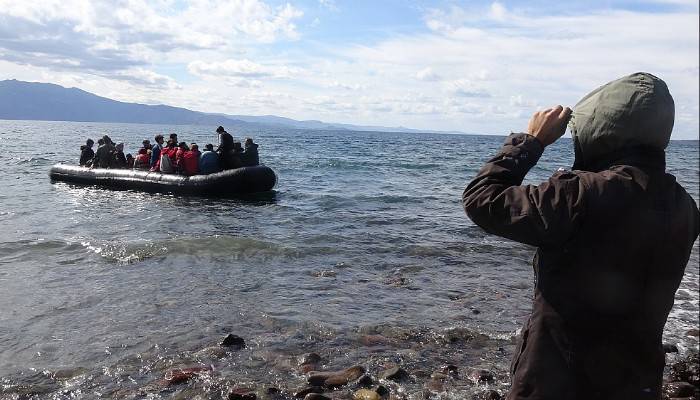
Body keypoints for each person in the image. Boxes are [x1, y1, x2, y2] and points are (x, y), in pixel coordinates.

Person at [462, 72, 700, 399]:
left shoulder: (580, 194)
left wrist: (531, 141)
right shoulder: (684, 205)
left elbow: (482, 200)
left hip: (559, 383)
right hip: (638, 382)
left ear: (601, 129)